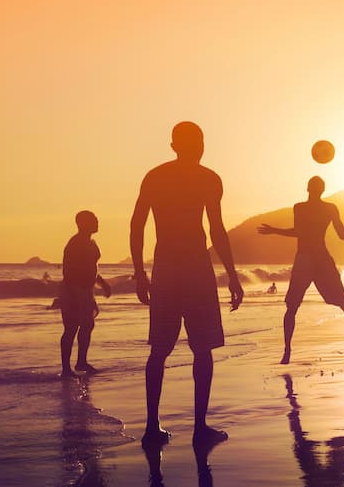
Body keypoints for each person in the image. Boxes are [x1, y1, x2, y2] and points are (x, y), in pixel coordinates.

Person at [130, 121, 244, 445]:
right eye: (197, 141)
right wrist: (232, 275)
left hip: (168, 269)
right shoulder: (206, 179)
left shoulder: (159, 177)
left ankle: (155, 428)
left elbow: (137, 226)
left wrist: (141, 273)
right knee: (199, 348)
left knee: (162, 350)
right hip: (193, 269)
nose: (200, 147)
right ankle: (197, 427)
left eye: (200, 141)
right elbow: (217, 230)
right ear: (179, 145)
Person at [257, 176, 344, 364]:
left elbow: (300, 232)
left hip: (306, 259)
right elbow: (342, 234)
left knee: (292, 308)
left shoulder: (300, 208)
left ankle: (287, 350)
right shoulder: (329, 208)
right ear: (322, 189)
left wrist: (275, 230)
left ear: (308, 188)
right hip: (320, 259)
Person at [60, 210, 111, 377]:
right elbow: (68, 271)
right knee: (71, 328)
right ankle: (66, 369)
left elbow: (90, 268)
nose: (97, 222)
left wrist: (102, 283)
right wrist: (76, 294)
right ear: (82, 223)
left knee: (88, 325)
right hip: (73, 290)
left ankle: (81, 361)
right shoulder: (75, 244)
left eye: (96, 219)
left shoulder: (91, 243)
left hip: (86, 290)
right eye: (93, 220)